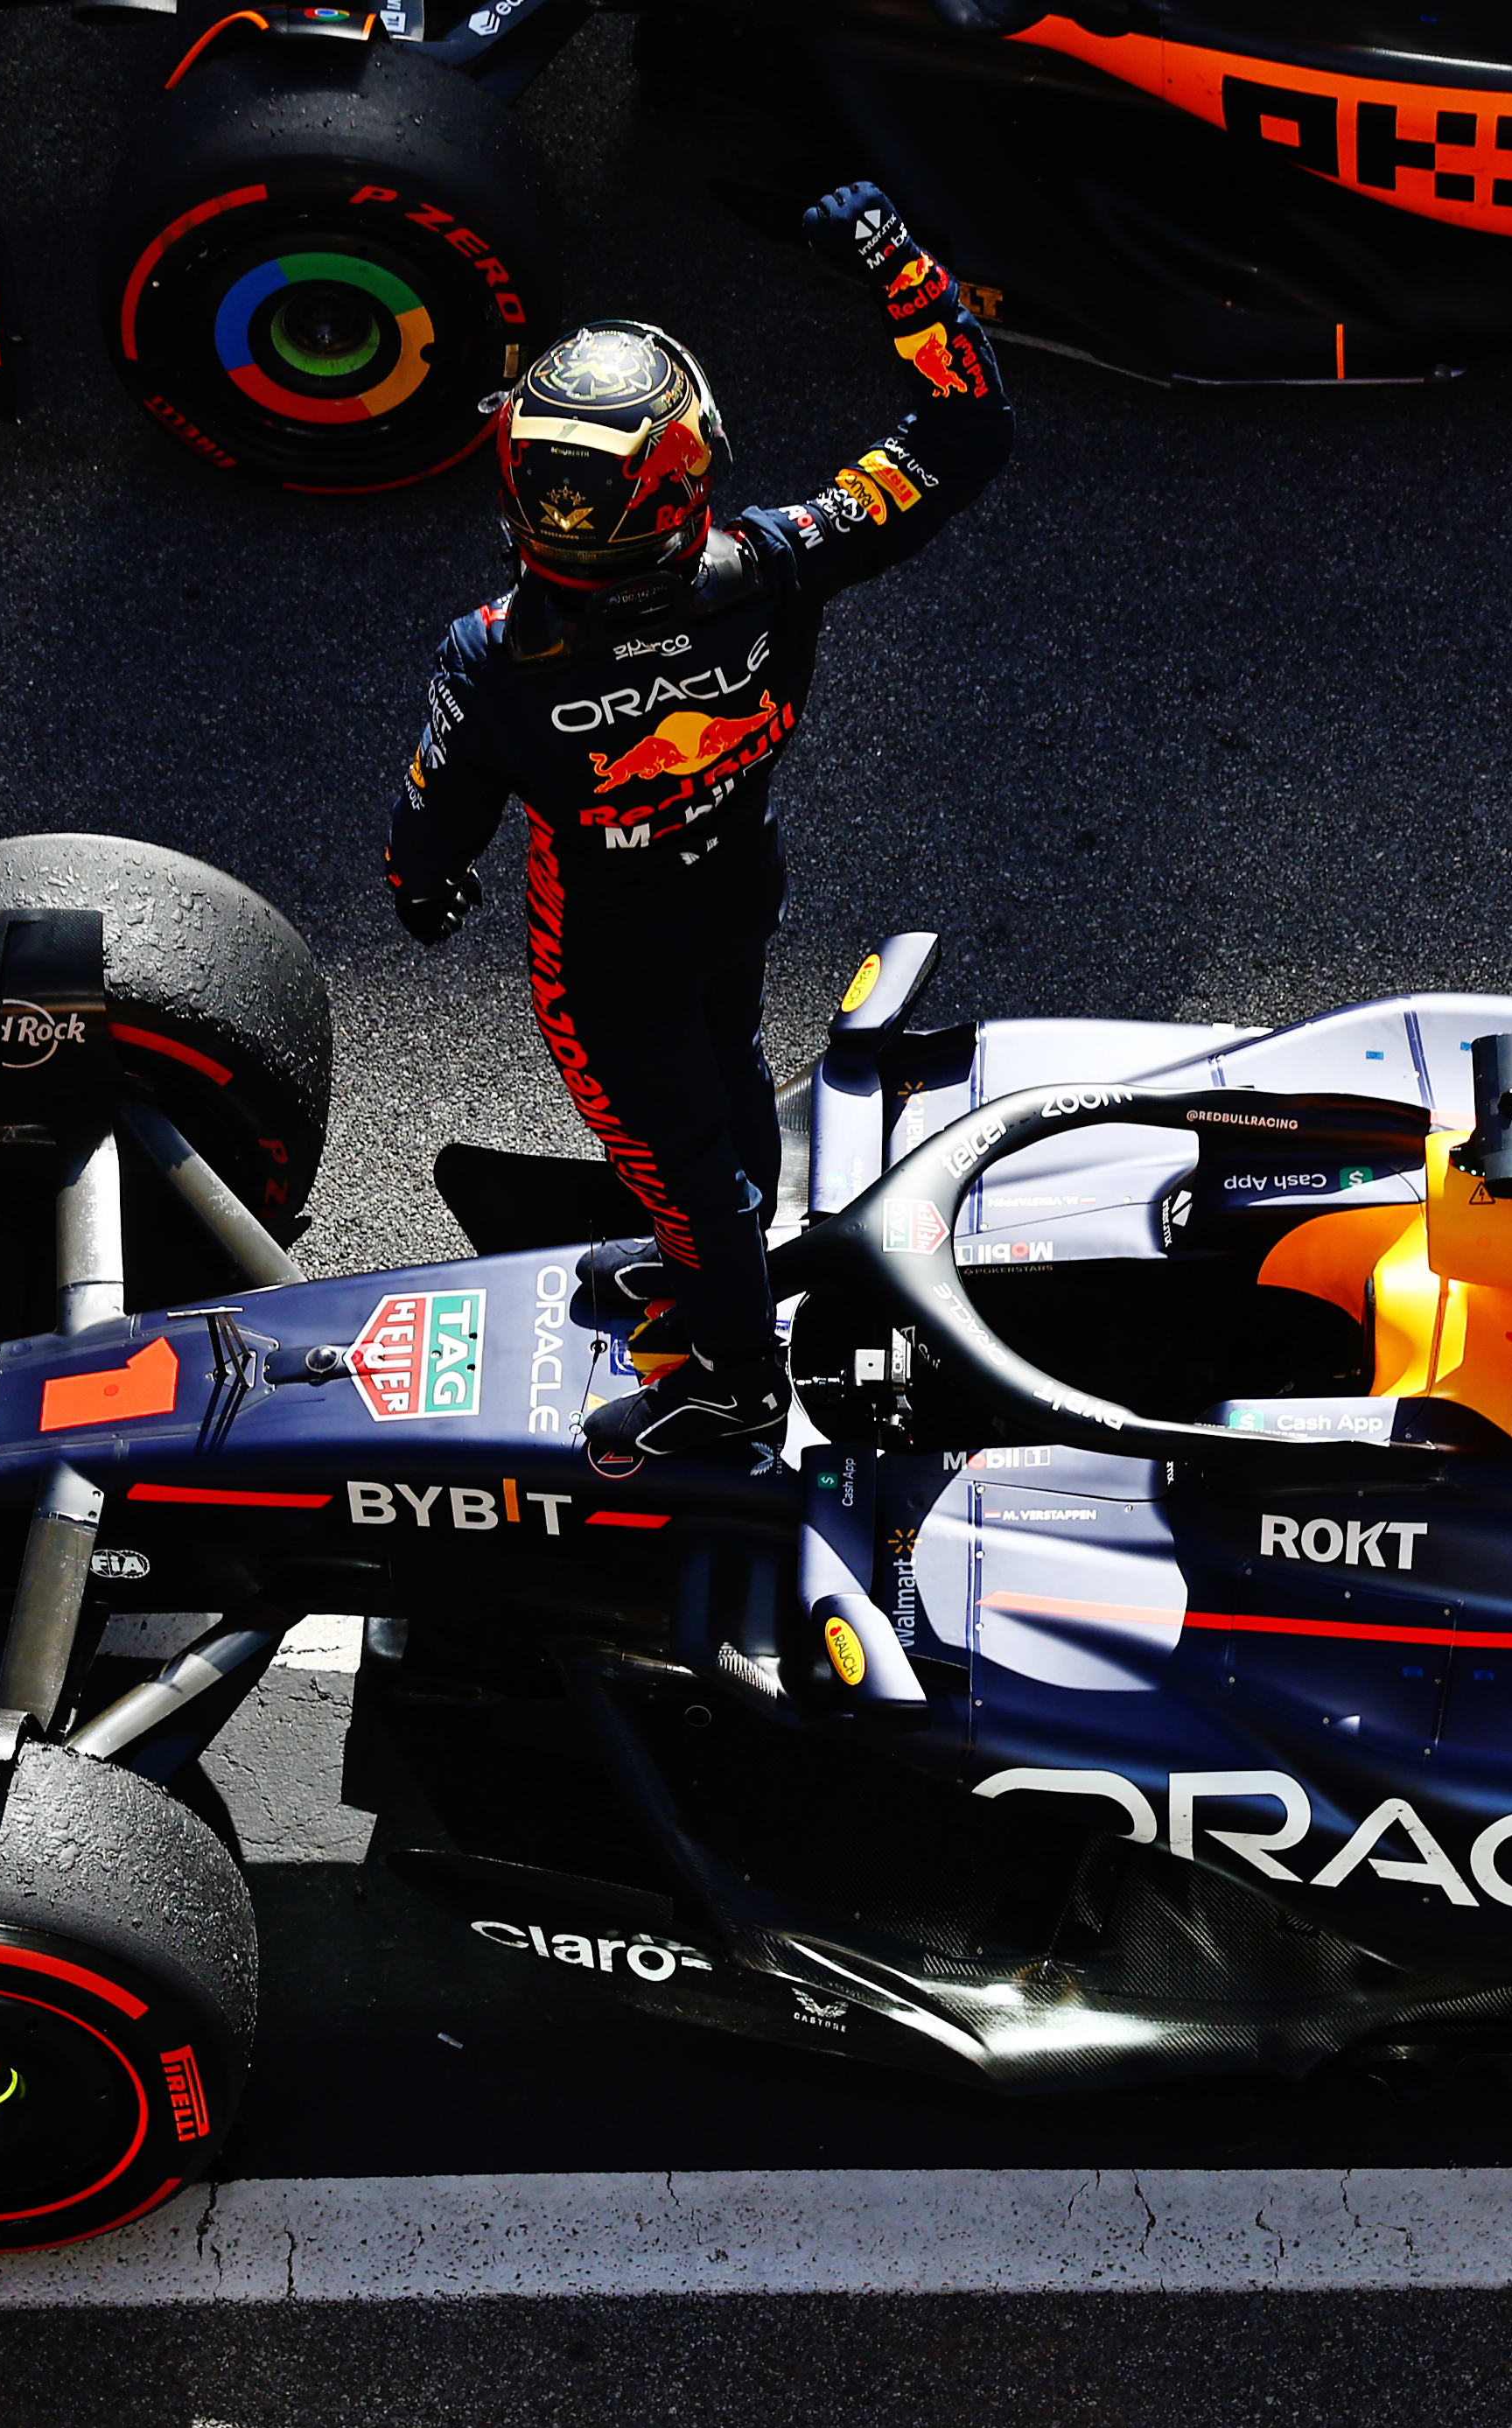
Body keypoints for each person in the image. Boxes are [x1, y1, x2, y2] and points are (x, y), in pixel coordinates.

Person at [382, 181, 1011, 1473]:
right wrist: (901, 265)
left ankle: (733, 1386)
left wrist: (425, 885)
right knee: (723, 1084)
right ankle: (714, 1264)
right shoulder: (785, 561)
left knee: (676, 1165)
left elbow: (431, 833)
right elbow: (965, 430)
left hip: (603, 954)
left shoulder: (488, 660)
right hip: (736, 883)